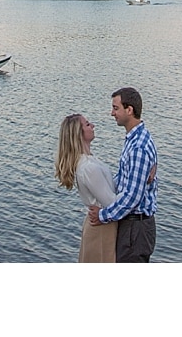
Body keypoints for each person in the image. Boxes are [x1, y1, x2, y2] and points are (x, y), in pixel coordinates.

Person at [88, 86, 158, 262]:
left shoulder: (138, 147)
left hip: (136, 228)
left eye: (115, 108)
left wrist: (102, 216)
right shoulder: (134, 139)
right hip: (132, 225)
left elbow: (132, 196)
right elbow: (124, 179)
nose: (112, 113)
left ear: (129, 110)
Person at [55, 113, 118, 262]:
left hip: (102, 225)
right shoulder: (88, 168)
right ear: (79, 133)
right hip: (102, 229)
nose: (93, 126)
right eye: (88, 124)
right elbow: (112, 202)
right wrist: (137, 192)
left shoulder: (89, 161)